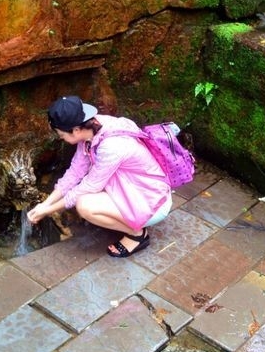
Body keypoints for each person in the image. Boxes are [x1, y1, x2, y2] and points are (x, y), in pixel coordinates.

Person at [27, 95, 172, 257]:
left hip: (152, 200)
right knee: (83, 196)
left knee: (85, 206)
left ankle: (137, 234)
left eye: (62, 136)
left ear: (75, 130)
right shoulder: (92, 128)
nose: (62, 139)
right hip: (129, 187)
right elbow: (75, 172)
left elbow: (88, 186)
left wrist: (47, 211)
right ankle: (130, 221)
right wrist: (45, 204)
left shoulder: (112, 146)